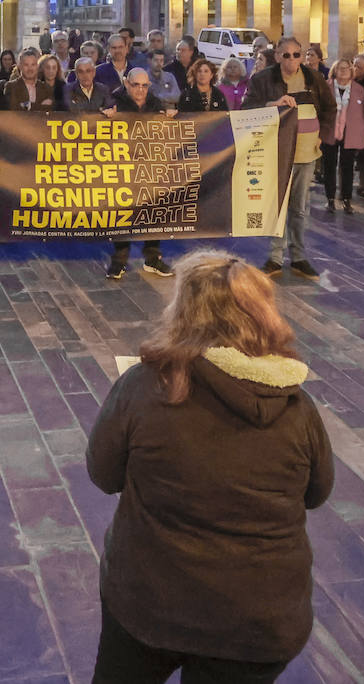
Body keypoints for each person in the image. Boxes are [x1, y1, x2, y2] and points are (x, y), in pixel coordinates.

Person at [86, 250, 333, 684]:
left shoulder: (142, 387)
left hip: (148, 604)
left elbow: (103, 475)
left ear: (182, 310)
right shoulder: (297, 406)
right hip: (259, 623)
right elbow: (317, 494)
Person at [241, 37, 335, 278]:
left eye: (297, 54)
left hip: (306, 152)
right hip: (277, 152)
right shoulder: (262, 79)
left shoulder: (314, 78)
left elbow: (329, 108)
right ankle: (275, 257)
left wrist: (322, 135)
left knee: (300, 208)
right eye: (286, 55)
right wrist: (273, 104)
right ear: (277, 56)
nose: (292, 59)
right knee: (278, 206)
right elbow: (246, 111)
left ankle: (299, 257)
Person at [107, 70, 176, 280]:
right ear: (127, 84)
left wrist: (169, 115)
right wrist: (104, 116)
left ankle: (152, 259)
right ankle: (119, 261)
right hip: (123, 166)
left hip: (148, 166)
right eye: (136, 85)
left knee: (152, 210)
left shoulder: (155, 103)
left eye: (144, 86)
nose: (140, 90)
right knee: (122, 212)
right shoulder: (115, 100)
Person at [321, 59, 364, 215]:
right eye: (340, 68)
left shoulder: (359, 90)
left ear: (352, 71)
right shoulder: (325, 87)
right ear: (334, 71)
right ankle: (329, 199)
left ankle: (346, 199)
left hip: (351, 133)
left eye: (347, 68)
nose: (343, 71)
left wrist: (363, 129)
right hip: (329, 131)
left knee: (347, 166)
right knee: (329, 166)